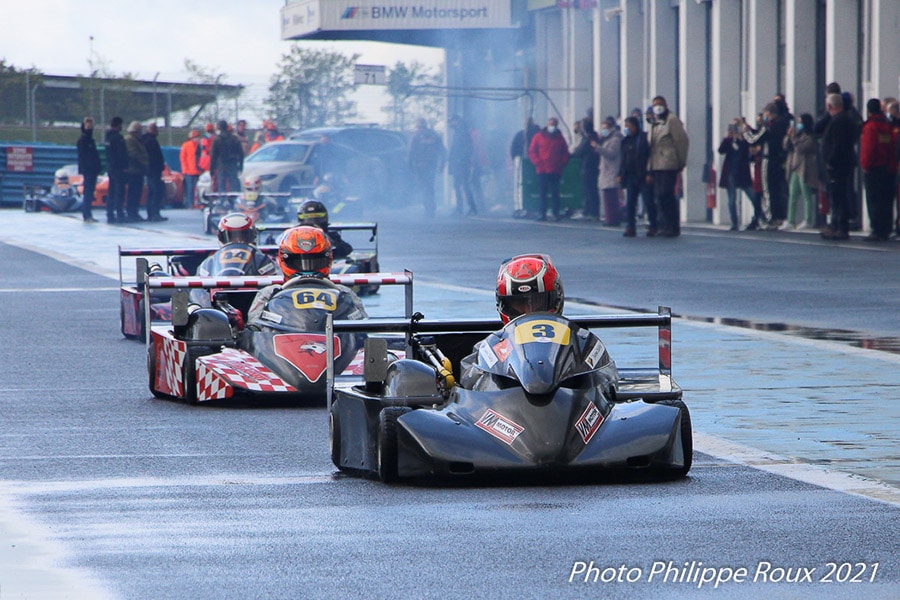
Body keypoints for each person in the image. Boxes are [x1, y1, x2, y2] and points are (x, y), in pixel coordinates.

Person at [458, 254, 617, 392]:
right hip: (509, 412)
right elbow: (469, 385)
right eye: (518, 304)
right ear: (504, 305)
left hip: (567, 409)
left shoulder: (579, 341)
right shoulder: (491, 348)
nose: (529, 310)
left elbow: (608, 380)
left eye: (538, 302)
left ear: (556, 298)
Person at [246, 226, 367, 325]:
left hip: (334, 345)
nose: (306, 269)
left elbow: (362, 330)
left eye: (315, 261)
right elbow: (253, 328)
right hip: (284, 347)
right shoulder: (270, 294)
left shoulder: (343, 293)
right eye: (298, 262)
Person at [647, 96, 689, 237]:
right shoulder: (654, 122)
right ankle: (663, 225)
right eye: (655, 105)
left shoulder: (672, 120)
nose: (658, 107)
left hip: (668, 163)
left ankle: (672, 226)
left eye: (660, 104)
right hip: (656, 164)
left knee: (666, 195)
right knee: (659, 196)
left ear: (665, 105)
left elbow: (682, 141)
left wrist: (681, 161)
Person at [742, 102, 788, 229]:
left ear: (769, 114)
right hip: (778, 160)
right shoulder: (780, 126)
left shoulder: (768, 127)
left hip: (768, 160)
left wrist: (746, 132)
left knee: (767, 189)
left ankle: (769, 217)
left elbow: (754, 140)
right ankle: (778, 216)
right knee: (776, 189)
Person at [820, 93, 858, 241]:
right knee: (838, 197)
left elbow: (838, 144)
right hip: (844, 164)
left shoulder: (839, 121)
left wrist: (831, 161)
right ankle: (836, 224)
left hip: (838, 166)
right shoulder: (845, 119)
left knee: (839, 197)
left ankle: (840, 227)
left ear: (830, 106)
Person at [859, 98, 897, 241]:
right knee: (886, 200)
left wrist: (865, 165)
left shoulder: (870, 127)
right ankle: (886, 228)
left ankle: (876, 228)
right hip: (886, 166)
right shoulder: (887, 125)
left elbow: (868, 148)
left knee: (874, 200)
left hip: (874, 168)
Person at [528, 116, 570, 221]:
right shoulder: (538, 136)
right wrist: (537, 163)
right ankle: (542, 213)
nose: (553, 127)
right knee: (543, 192)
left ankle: (555, 213)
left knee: (555, 192)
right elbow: (532, 151)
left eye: (554, 125)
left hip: (555, 169)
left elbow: (565, 151)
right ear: (547, 124)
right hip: (542, 169)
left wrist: (562, 163)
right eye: (551, 124)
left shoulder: (560, 138)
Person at [717, 119, 756, 231]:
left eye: (736, 127)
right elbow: (721, 150)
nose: (734, 130)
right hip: (730, 173)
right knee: (731, 200)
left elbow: (747, 154)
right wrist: (726, 138)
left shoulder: (744, 141)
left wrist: (741, 138)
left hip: (743, 173)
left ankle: (758, 217)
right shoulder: (729, 141)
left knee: (753, 196)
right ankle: (734, 222)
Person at [783, 113, 820, 229]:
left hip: (805, 168)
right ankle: (790, 220)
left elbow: (800, 149)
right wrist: (789, 136)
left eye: (800, 122)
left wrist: (793, 138)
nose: (798, 125)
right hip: (795, 167)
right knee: (793, 194)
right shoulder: (797, 136)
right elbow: (786, 146)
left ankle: (808, 219)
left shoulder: (810, 137)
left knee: (806, 194)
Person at [407, 118, 447, 217]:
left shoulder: (416, 136)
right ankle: (432, 208)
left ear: (418, 126)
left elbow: (411, 152)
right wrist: (442, 165)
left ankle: (429, 210)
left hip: (420, 166)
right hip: (432, 165)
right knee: (430, 187)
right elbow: (443, 151)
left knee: (424, 188)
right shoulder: (434, 135)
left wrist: (410, 165)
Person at [619, 116, 651, 236]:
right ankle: (630, 226)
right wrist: (620, 174)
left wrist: (649, 173)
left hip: (643, 174)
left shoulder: (643, 138)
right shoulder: (625, 141)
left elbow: (649, 156)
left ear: (635, 126)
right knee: (630, 203)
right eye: (625, 127)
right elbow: (623, 159)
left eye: (628, 126)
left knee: (648, 201)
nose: (627, 129)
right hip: (631, 176)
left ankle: (653, 225)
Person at [448, 114, 478, 215]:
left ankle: (471, 207)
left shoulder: (462, 132)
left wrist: (461, 159)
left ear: (456, 121)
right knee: (458, 186)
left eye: (452, 121)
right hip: (458, 163)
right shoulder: (459, 131)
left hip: (461, 163)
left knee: (464, 185)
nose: (451, 123)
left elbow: (467, 148)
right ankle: (460, 208)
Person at [571, 117, 600, 220]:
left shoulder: (589, 138)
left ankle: (591, 212)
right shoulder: (593, 137)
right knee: (591, 190)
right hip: (592, 166)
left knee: (589, 190)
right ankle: (590, 211)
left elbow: (579, 151)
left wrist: (572, 153)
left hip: (588, 167)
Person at [596, 116, 623, 227]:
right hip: (606, 170)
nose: (603, 131)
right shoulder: (607, 140)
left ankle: (612, 219)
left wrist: (598, 148)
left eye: (605, 128)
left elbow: (611, 154)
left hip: (611, 170)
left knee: (611, 197)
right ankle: (609, 217)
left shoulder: (615, 140)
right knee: (607, 197)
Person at [76, 117, 101, 223]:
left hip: (92, 170)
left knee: (90, 192)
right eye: (88, 126)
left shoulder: (90, 140)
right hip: (88, 170)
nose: (90, 128)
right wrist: (89, 168)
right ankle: (86, 214)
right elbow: (85, 157)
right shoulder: (83, 140)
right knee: (88, 192)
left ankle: (88, 213)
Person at [141, 123, 168, 222]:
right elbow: (154, 157)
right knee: (155, 191)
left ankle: (151, 213)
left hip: (151, 170)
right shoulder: (151, 141)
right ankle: (154, 213)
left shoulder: (145, 140)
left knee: (152, 192)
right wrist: (159, 166)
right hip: (154, 170)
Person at [104, 116, 128, 223]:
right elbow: (121, 154)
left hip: (111, 168)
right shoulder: (118, 138)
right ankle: (119, 213)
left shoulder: (108, 138)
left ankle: (110, 213)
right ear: (118, 125)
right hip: (119, 169)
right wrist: (125, 166)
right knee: (119, 192)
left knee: (112, 191)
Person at [123, 121, 148, 222]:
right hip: (133, 170)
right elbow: (133, 154)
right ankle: (132, 212)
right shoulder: (130, 140)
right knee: (134, 193)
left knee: (136, 193)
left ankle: (133, 212)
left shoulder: (135, 140)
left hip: (137, 170)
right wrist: (144, 162)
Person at [210, 120, 244, 193]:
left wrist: (212, 169)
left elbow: (213, 156)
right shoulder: (234, 139)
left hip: (221, 166)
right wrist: (241, 166)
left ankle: (222, 202)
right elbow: (241, 154)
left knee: (221, 186)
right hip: (232, 165)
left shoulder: (216, 140)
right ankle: (234, 202)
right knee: (234, 186)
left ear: (219, 128)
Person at [180, 129, 202, 207]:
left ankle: (198, 203)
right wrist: (185, 170)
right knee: (190, 188)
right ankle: (190, 204)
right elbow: (183, 158)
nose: (196, 138)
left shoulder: (200, 145)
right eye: (194, 137)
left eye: (197, 137)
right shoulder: (186, 145)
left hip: (198, 171)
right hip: (189, 171)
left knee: (198, 188)